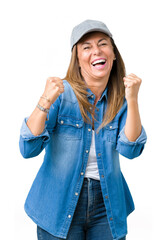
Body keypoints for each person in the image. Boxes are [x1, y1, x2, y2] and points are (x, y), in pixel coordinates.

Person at [19, 19, 147, 240]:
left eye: (103, 44)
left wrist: (133, 100)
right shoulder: (61, 93)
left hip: (106, 205)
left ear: (113, 53)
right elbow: (28, 148)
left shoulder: (122, 99)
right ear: (77, 60)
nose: (96, 50)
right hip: (58, 203)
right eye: (86, 47)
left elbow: (131, 150)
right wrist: (44, 101)